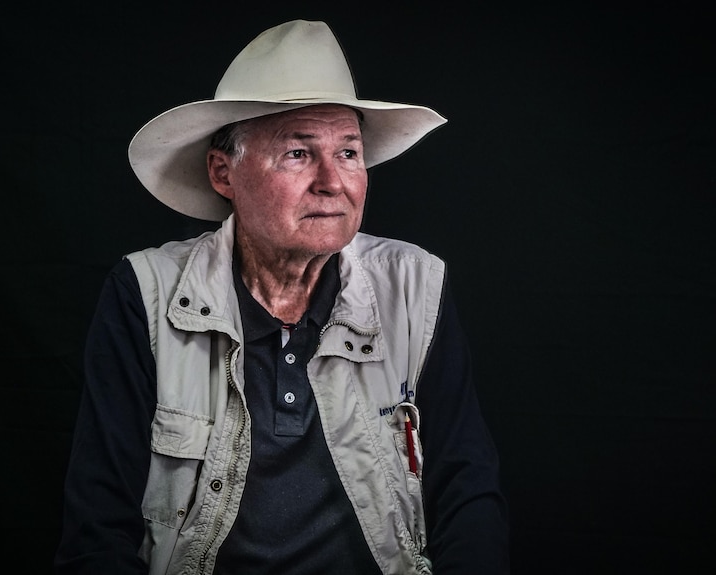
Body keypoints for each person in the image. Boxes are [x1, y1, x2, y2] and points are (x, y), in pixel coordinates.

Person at [55, 19, 508, 575]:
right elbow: (97, 528)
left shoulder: (415, 285)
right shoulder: (145, 294)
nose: (332, 181)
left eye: (348, 152)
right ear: (224, 173)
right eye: (298, 153)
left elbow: (466, 489)